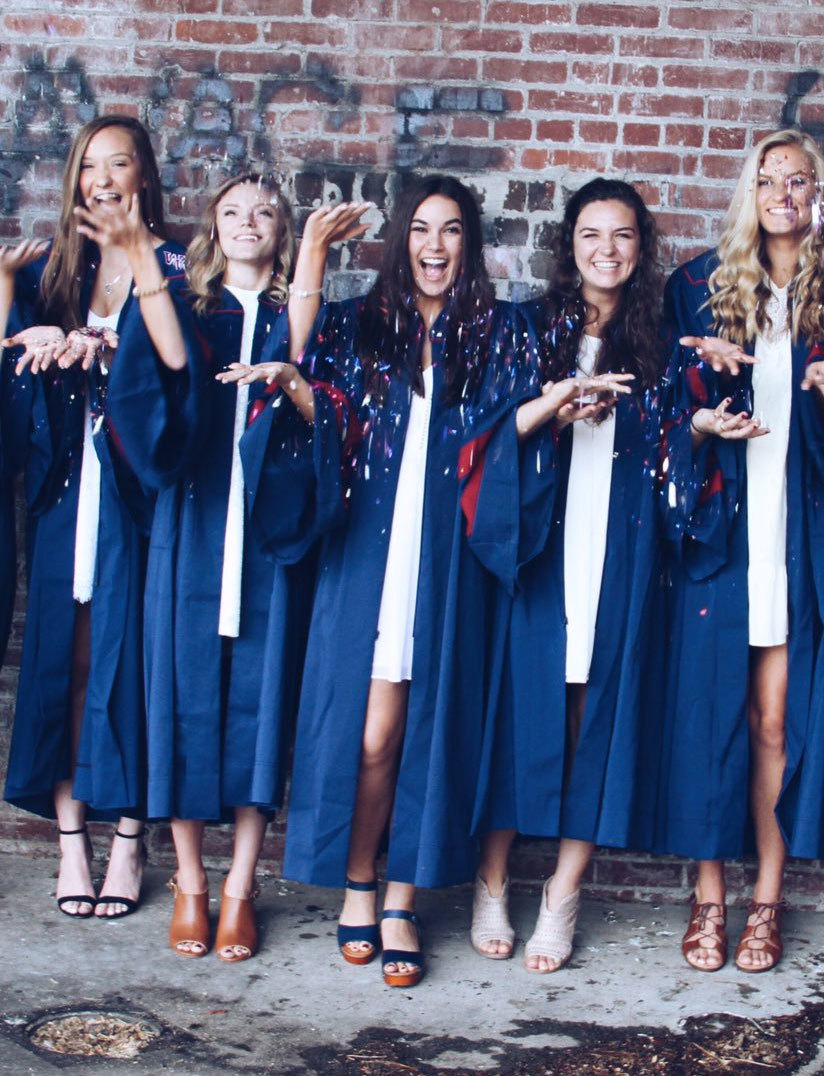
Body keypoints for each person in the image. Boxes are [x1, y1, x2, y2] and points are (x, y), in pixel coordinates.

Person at [233, 174, 533, 987]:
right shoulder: (359, 323)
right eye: (422, 229)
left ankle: (399, 896)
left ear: (470, 245)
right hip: (368, 546)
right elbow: (300, 369)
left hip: (446, 555)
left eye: (452, 230)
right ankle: (359, 878)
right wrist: (310, 255)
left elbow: (508, 437)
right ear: (402, 240)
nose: (436, 246)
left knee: (426, 730)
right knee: (369, 736)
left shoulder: (499, 333)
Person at [104, 171, 370, 962]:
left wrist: (315, 257)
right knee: (180, 700)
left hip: (267, 535)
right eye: (231, 211)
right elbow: (151, 387)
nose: (248, 221)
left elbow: (304, 365)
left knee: (262, 706)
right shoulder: (187, 308)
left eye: (264, 211)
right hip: (192, 524)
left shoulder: (306, 310)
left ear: (282, 230)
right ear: (212, 228)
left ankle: (242, 888)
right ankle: (191, 882)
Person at [462, 178, 665, 972]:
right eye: (590, 234)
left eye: (622, 235)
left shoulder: (657, 341)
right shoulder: (526, 329)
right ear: (569, 245)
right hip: (541, 544)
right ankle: (491, 880)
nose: (606, 250)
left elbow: (674, 451)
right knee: (519, 712)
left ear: (640, 247)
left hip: (617, 549)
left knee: (594, 720)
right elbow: (489, 434)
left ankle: (563, 891)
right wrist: (556, 405)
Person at [1, 115, 185, 919]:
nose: (103, 180)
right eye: (90, 167)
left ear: (145, 175)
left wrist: (110, 357)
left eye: (120, 164)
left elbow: (183, 375)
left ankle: (131, 839)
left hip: (136, 493)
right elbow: (15, 364)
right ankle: (72, 840)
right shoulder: (57, 270)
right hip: (65, 486)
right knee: (66, 664)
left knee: (134, 664)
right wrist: (29, 327)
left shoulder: (176, 264)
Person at [657, 128, 824, 972]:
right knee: (712, 713)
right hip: (722, 524)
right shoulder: (698, 287)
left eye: (800, 181)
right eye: (768, 180)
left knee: (774, 720)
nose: (783, 195)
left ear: (819, 195)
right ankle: (708, 896)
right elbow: (659, 406)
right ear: (748, 193)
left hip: (799, 529)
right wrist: (698, 410)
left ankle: (766, 899)